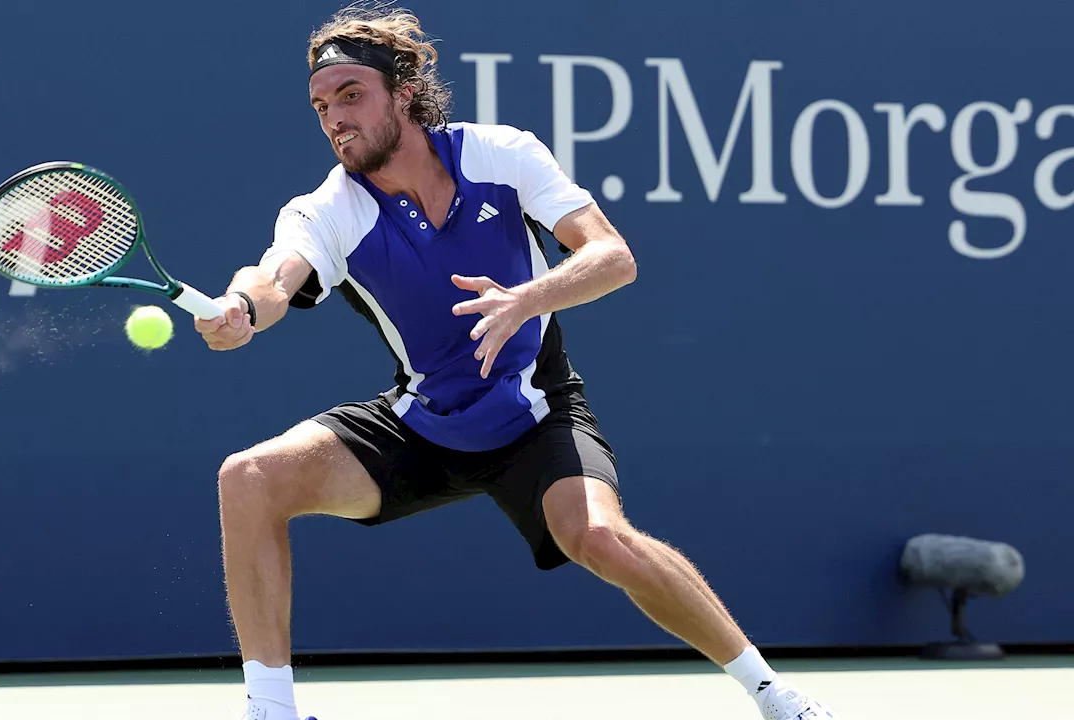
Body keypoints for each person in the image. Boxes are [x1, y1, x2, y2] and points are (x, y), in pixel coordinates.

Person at [194, 5, 838, 720]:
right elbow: (275, 274)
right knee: (248, 479)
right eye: (321, 105)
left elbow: (611, 257)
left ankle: (775, 694)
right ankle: (273, 712)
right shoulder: (328, 209)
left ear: (402, 91)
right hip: (424, 427)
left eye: (351, 95)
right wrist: (244, 307)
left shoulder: (502, 154)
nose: (334, 118)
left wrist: (526, 299)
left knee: (598, 536)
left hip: (535, 411)